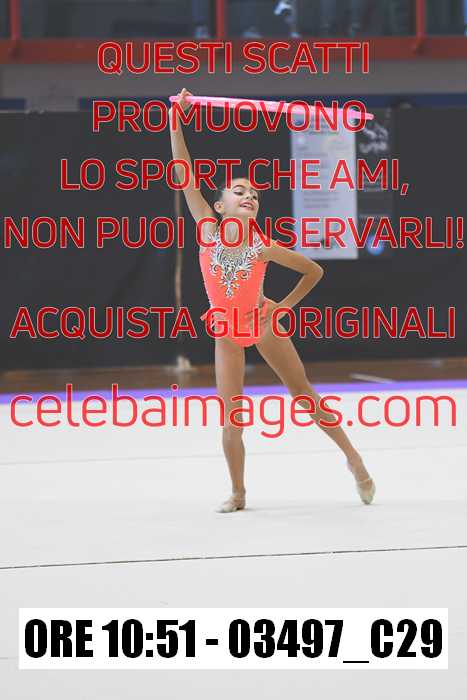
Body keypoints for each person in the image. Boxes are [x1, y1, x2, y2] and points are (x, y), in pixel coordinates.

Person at [169, 88, 376, 513]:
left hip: (261, 322)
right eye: (239, 191)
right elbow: (183, 171)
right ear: (218, 205)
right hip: (227, 330)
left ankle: (354, 460)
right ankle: (239, 492)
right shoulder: (207, 229)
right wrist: (176, 119)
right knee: (232, 418)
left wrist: (282, 307)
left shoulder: (263, 246)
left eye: (255, 195)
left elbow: (313, 271)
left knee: (302, 392)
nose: (249, 197)